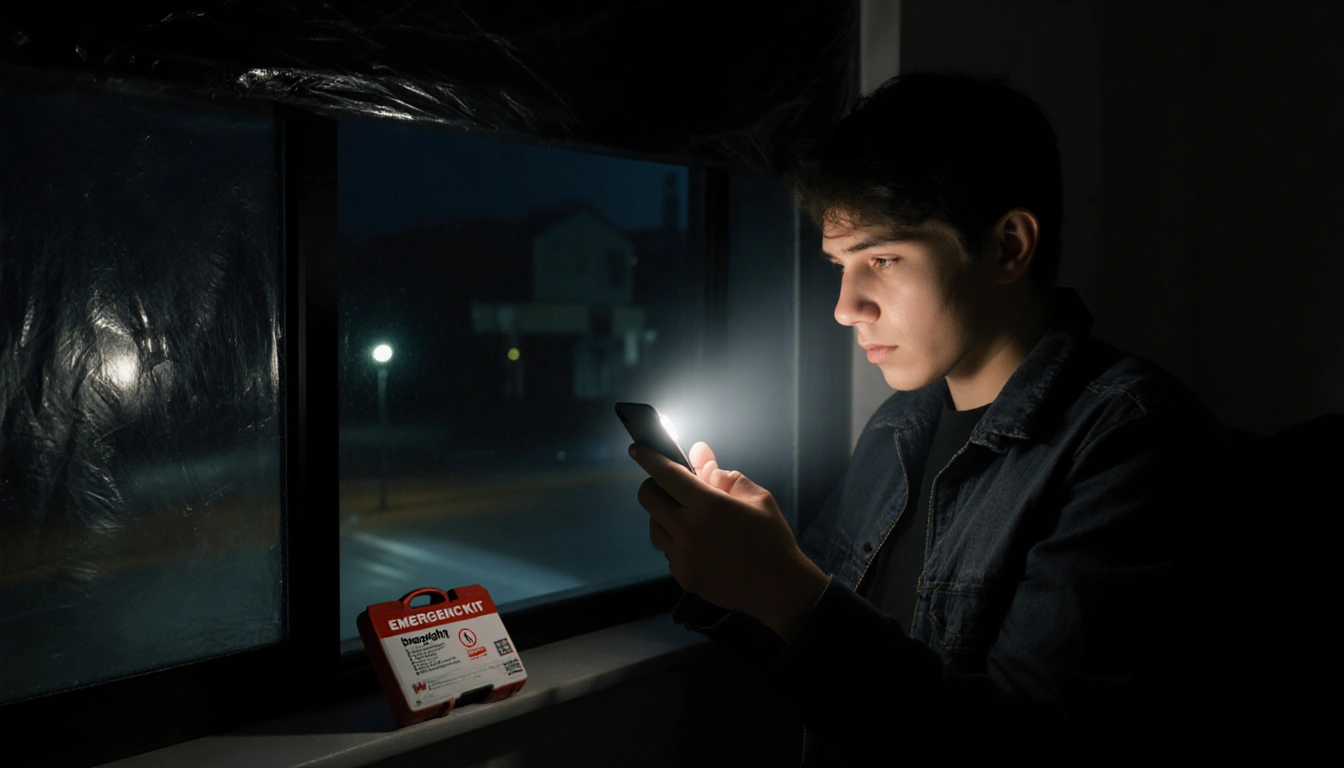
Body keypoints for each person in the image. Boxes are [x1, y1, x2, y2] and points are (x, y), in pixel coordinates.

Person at [627, 72, 1236, 765]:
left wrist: (782, 584)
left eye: (882, 259)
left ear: (1008, 247)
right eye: (838, 265)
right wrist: (728, 573)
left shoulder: (1133, 441)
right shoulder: (897, 428)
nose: (845, 306)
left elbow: (1026, 748)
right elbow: (823, 673)